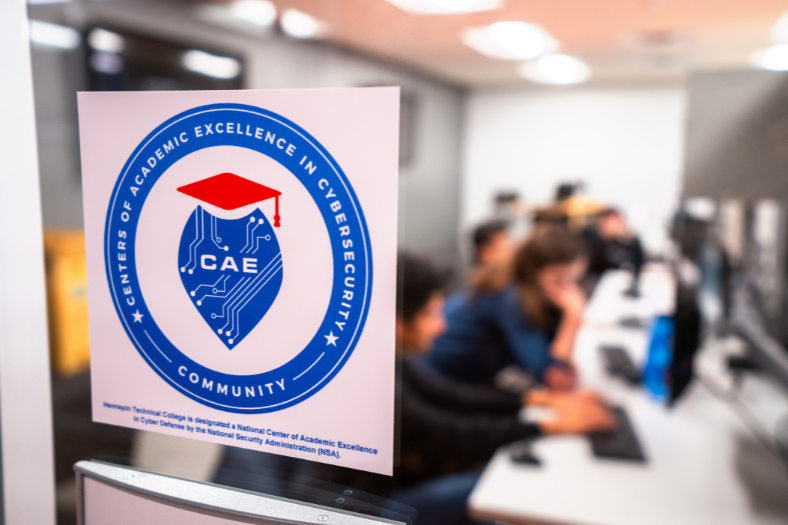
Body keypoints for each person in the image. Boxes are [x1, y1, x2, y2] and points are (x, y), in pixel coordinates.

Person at [214, 252, 613, 525]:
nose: (442, 325)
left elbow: (447, 396)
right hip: (356, 512)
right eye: (430, 313)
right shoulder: (362, 381)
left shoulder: (376, 357)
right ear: (395, 319)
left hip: (365, 491)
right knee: (497, 489)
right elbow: (446, 433)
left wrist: (531, 400)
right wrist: (544, 427)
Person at [426, 227, 588, 390]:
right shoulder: (509, 296)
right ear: (533, 271)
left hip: (473, 377)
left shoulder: (529, 288)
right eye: (559, 279)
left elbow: (549, 348)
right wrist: (573, 316)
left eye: (573, 281)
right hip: (439, 380)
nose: (568, 291)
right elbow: (550, 375)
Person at [583, 208, 644, 287]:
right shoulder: (591, 239)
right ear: (602, 221)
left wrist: (629, 238)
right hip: (594, 285)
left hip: (611, 284)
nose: (617, 226)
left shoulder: (618, 242)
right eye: (613, 222)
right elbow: (606, 264)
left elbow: (637, 261)